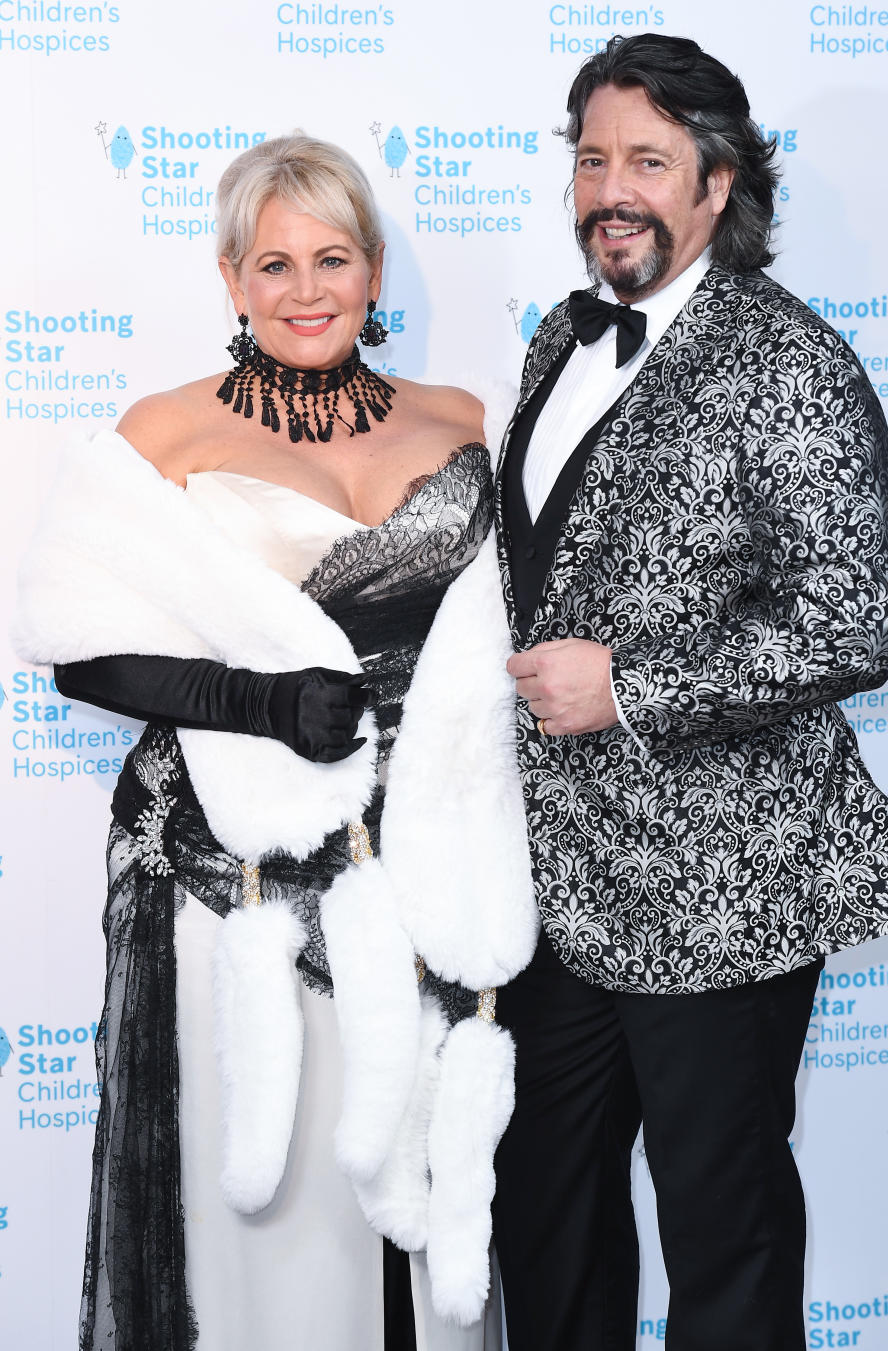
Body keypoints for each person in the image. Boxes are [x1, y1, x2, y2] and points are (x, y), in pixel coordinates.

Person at [14, 133, 538, 1351]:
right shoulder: (166, 434)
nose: (308, 290)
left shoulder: (465, 419)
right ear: (231, 279)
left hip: (426, 875)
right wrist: (266, 705)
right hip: (238, 881)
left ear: (374, 271)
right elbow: (75, 644)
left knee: (419, 1199)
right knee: (282, 1211)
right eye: (275, 263)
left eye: (334, 259)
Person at [491, 33, 888, 1351]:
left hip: (721, 887)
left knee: (721, 1232)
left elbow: (856, 628)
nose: (610, 188)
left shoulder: (792, 361)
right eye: (590, 158)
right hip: (555, 884)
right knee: (547, 1211)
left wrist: (629, 686)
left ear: (717, 182)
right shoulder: (553, 341)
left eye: (647, 160)